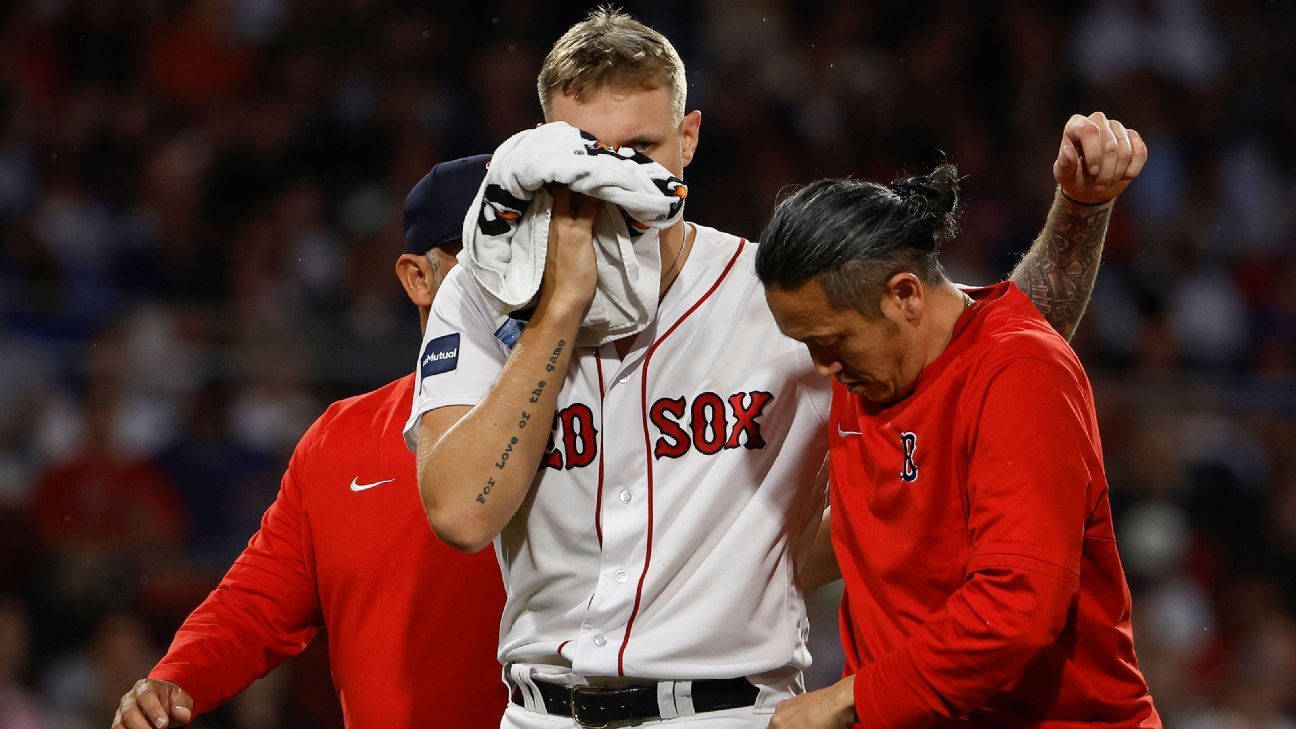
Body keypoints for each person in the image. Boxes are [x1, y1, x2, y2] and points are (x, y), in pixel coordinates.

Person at [407, 9, 1134, 728]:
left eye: (642, 148)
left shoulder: (777, 295)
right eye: (589, 151)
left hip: (729, 711)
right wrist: (559, 312)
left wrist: (1080, 209)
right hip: (541, 712)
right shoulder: (487, 292)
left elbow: (977, 344)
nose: (612, 178)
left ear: (688, 138)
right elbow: (464, 513)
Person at [755, 152, 1161, 725]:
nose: (821, 366)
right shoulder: (878, 363)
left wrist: (849, 698)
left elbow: (1017, 604)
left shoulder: (1021, 373)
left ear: (905, 295)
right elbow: (869, 524)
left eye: (830, 340)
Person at [110, 156, 507, 729]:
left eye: (527, 253)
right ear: (420, 278)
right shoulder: (342, 438)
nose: (513, 278)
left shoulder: (592, 410)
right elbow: (255, 603)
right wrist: (176, 678)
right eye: (486, 255)